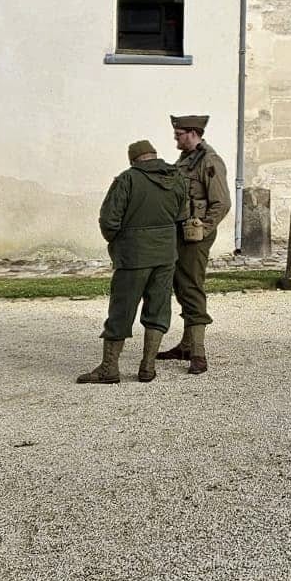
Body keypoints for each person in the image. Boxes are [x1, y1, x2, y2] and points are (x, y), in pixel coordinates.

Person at [79, 140, 187, 385]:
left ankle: (109, 369)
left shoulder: (127, 180)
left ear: (134, 159)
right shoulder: (177, 178)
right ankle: (148, 367)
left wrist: (119, 241)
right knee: (158, 309)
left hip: (133, 256)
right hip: (166, 254)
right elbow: (182, 214)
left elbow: (108, 220)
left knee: (121, 311)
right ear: (154, 156)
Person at [154, 114, 231, 375]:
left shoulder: (209, 161)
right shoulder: (186, 161)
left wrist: (203, 228)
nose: (176, 137)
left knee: (192, 286)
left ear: (193, 133)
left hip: (194, 236)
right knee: (180, 284)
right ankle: (186, 345)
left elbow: (222, 203)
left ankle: (198, 352)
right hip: (179, 232)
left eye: (179, 133)